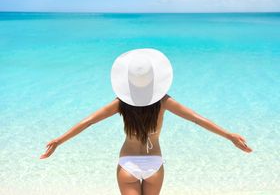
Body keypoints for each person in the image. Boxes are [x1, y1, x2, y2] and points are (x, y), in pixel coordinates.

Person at [40, 48, 253, 195]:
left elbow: (88, 122)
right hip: (154, 165)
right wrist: (228, 135)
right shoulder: (164, 101)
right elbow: (197, 119)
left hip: (127, 164)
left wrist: (59, 141)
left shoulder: (120, 103)